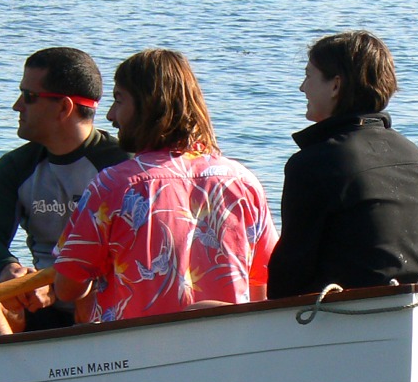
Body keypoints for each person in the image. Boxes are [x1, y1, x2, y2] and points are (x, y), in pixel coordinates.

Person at [52, 48, 278, 322]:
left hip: (137, 351)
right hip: (227, 349)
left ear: (148, 105)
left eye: (118, 101)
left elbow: (67, 287)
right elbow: (262, 281)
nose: (111, 115)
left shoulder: (114, 186)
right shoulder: (243, 181)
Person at [0, 47, 132, 335]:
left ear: (64, 108)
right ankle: (9, 371)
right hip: (39, 302)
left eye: (29, 97)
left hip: (100, 303)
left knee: (84, 297)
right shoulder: (15, 167)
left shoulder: (122, 167)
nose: (17, 106)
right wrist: (8, 269)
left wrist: (58, 287)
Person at [266, 31, 418, 299]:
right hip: (412, 304)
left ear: (335, 85)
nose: (302, 87)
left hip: (337, 317)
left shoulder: (314, 163)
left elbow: (287, 278)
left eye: (309, 75)